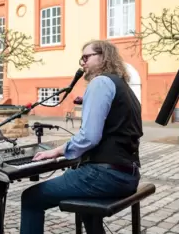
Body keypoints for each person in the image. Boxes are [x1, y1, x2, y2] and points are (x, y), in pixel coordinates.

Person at [20, 40, 143, 234]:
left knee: (31, 198)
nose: (82, 63)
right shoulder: (125, 88)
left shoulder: (101, 82)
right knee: (86, 206)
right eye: (82, 58)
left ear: (104, 57)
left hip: (106, 175)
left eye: (87, 57)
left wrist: (56, 151)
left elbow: (89, 137)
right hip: (129, 175)